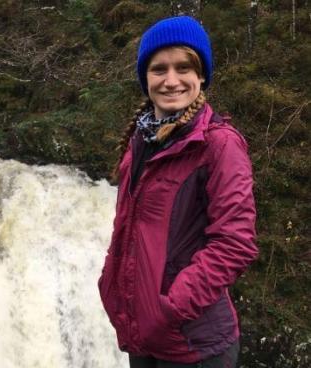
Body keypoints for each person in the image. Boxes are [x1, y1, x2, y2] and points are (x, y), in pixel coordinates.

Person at [98, 16, 258, 368]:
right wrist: (110, 284)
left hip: (192, 343)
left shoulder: (219, 145)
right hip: (140, 332)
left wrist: (169, 309)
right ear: (146, 78)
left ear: (201, 76)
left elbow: (235, 244)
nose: (171, 81)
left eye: (183, 68)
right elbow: (127, 226)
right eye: (159, 69)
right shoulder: (142, 138)